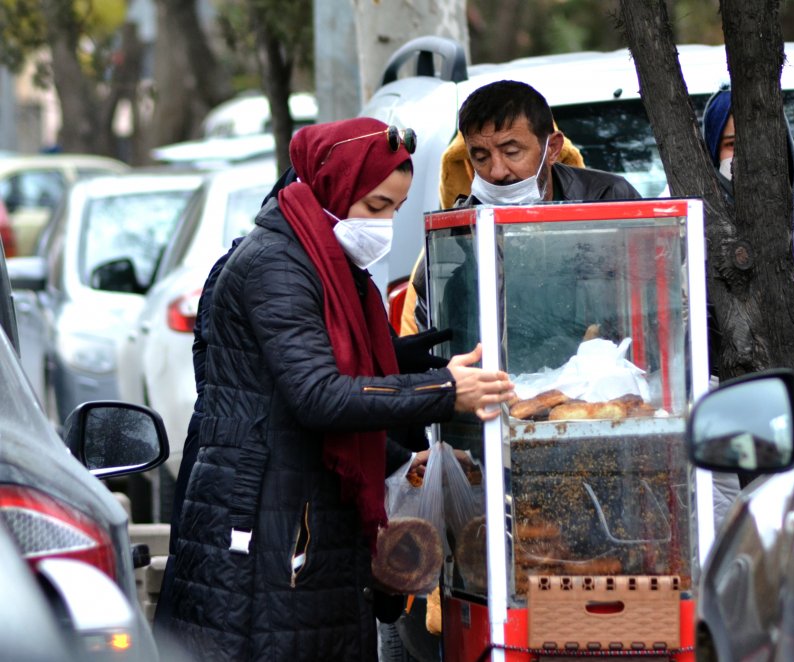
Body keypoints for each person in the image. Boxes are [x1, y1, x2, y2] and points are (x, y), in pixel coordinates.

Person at [163, 118, 516, 661]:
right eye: (375, 206)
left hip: (298, 510)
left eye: (394, 210)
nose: (384, 224)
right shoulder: (277, 263)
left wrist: (397, 362)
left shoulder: (319, 254)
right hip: (265, 518)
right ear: (335, 187)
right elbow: (317, 393)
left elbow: (307, 359)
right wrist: (443, 390)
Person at [401, 79, 642, 336]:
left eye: (512, 152)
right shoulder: (455, 234)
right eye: (481, 158)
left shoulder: (610, 200)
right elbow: (441, 336)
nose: (497, 171)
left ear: (552, 148)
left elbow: (654, 307)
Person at [701, 87, 794, 296]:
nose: (747, 154)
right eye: (732, 144)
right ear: (714, 154)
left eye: (757, 140)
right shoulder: (688, 222)